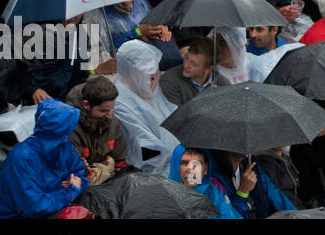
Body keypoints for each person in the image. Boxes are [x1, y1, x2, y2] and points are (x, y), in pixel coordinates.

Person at [0, 98, 89, 218]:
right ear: (57, 132)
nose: (69, 135)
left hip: (57, 203)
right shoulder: (22, 158)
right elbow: (35, 207)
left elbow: (80, 173)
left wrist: (75, 184)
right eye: (66, 131)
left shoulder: (63, 145)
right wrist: (70, 190)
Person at [109, 39, 182, 176]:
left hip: (178, 160)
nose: (154, 76)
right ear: (131, 70)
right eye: (148, 71)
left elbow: (169, 115)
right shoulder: (119, 103)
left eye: (155, 71)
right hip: (155, 174)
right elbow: (145, 150)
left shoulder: (144, 88)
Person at [66, 75, 127, 186]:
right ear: (86, 105)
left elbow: (121, 161)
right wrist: (107, 168)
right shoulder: (69, 127)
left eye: (111, 109)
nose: (109, 116)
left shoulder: (112, 123)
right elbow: (74, 175)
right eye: (103, 111)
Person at [159, 36, 217, 108]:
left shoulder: (222, 84)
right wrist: (205, 101)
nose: (186, 65)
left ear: (208, 69)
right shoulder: (169, 81)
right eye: (186, 58)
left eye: (194, 64)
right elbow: (176, 114)